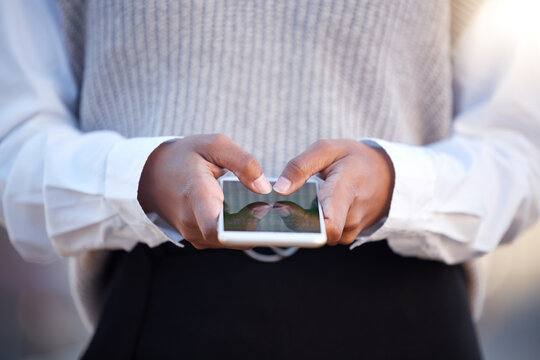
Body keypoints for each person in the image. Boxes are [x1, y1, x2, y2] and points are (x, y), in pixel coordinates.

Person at [1, 0, 539, 358]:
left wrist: (396, 181)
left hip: (406, 312)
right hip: (165, 311)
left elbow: (519, 153)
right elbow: (15, 145)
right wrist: (141, 178)